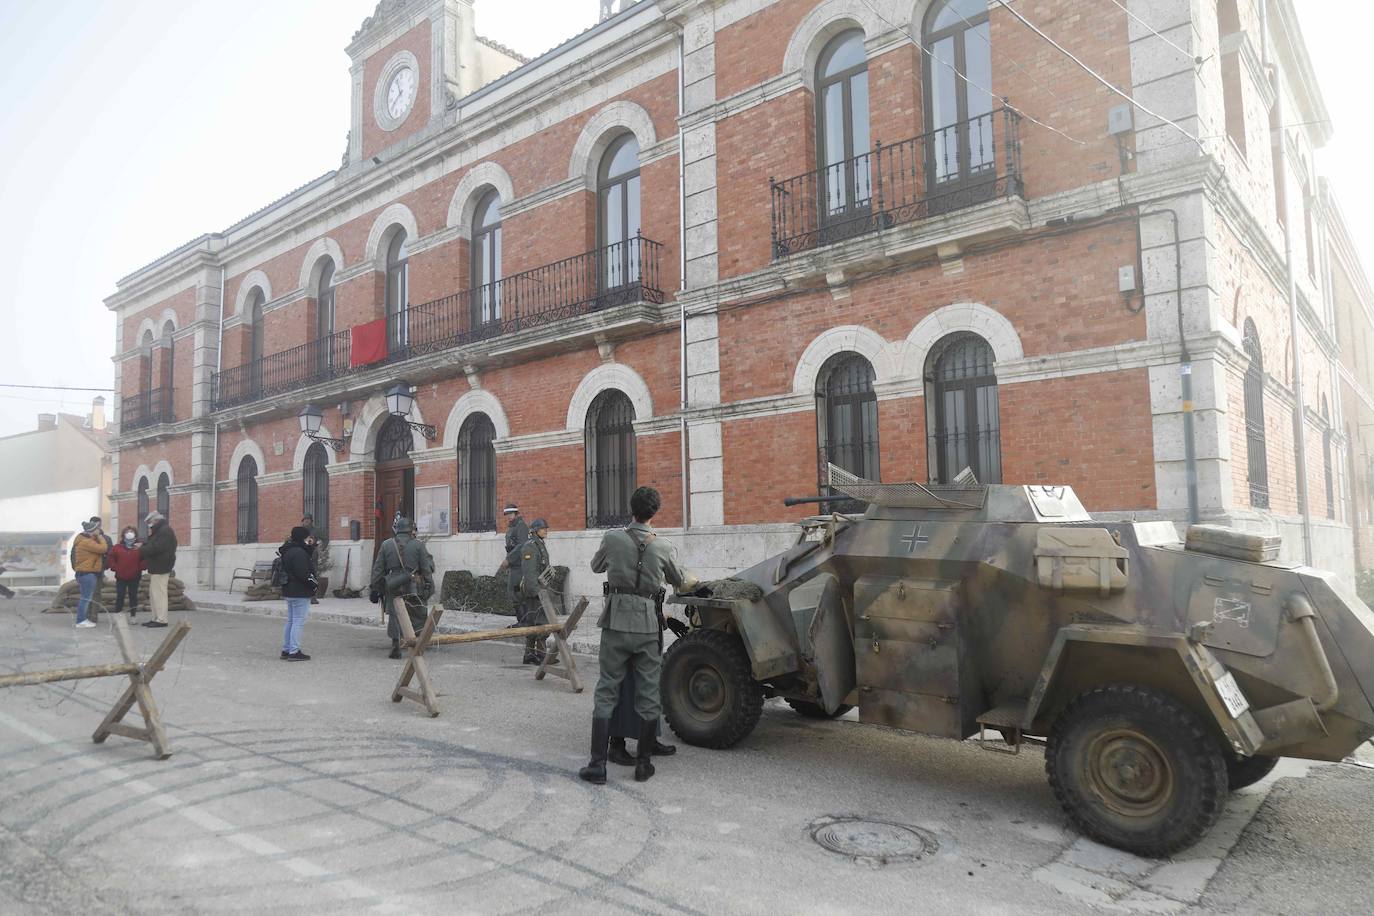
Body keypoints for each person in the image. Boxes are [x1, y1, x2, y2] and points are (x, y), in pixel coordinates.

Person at [579, 487, 695, 785]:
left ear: (631, 509)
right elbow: (679, 581)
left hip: (616, 620)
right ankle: (643, 764)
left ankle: (597, 765)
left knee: (607, 690)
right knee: (648, 692)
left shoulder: (613, 538)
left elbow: (596, 566)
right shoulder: (664, 546)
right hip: (646, 623)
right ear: (654, 512)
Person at [370, 516, 435, 659]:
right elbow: (426, 569)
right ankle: (417, 643)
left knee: (395, 614)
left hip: (393, 583)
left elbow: (378, 569)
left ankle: (395, 644)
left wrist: (374, 588)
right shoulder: (418, 545)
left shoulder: (386, 545)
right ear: (411, 529)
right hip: (414, 584)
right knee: (417, 612)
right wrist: (429, 586)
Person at [279, 526, 318, 661]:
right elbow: (304, 573)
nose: (309, 539)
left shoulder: (289, 550)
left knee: (291, 621)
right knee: (298, 622)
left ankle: (286, 648)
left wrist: (310, 547)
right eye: (308, 537)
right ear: (303, 538)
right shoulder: (299, 553)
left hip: (289, 589)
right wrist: (314, 584)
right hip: (299, 591)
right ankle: (294, 651)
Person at [516, 518, 551, 665]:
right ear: (535, 531)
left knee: (533, 623)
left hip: (539, 589)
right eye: (543, 529)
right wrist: (538, 592)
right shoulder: (530, 546)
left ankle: (530, 654)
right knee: (541, 622)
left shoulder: (539, 544)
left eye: (545, 528)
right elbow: (530, 573)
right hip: (534, 591)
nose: (546, 530)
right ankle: (541, 656)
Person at [138, 511, 178, 629]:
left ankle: (161, 619)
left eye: (150, 522)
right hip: (157, 566)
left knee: (159, 594)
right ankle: (155, 618)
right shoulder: (160, 531)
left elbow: (156, 547)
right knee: (154, 594)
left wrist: (142, 549)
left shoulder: (165, 531)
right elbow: (153, 545)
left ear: (156, 520)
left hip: (161, 566)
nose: (149, 525)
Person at [71, 519, 110, 629]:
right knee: (85, 598)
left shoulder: (84, 540)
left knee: (85, 597)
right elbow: (103, 548)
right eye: (97, 529)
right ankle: (80, 620)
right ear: (92, 531)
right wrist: (100, 537)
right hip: (87, 573)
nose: (99, 531)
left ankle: (82, 619)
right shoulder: (86, 542)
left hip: (85, 572)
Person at [107, 526, 147, 618]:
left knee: (133, 596)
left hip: (135, 576)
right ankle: (118, 616)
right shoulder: (117, 547)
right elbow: (111, 558)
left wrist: (140, 567)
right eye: (127, 532)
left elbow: (145, 559)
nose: (129, 533)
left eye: (132, 532)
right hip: (121, 576)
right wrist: (115, 567)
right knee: (120, 596)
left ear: (135, 536)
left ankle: (133, 616)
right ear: (123, 535)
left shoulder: (139, 548)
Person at [495, 504, 528, 608]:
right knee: (513, 591)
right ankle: (521, 620)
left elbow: (522, 544)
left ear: (516, 513)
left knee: (516, 591)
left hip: (519, 564)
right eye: (507, 514)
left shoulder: (521, 526)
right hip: (514, 564)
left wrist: (509, 559)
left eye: (511, 514)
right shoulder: (512, 526)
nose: (509, 516)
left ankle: (524, 620)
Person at [301, 515, 322, 604]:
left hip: (312, 554)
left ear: (311, 521)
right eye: (305, 520)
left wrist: (321, 548)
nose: (306, 521)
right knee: (301, 574)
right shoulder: (299, 530)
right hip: (301, 555)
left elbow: (325, 539)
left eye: (308, 520)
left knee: (313, 575)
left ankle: (313, 597)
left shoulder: (316, 530)